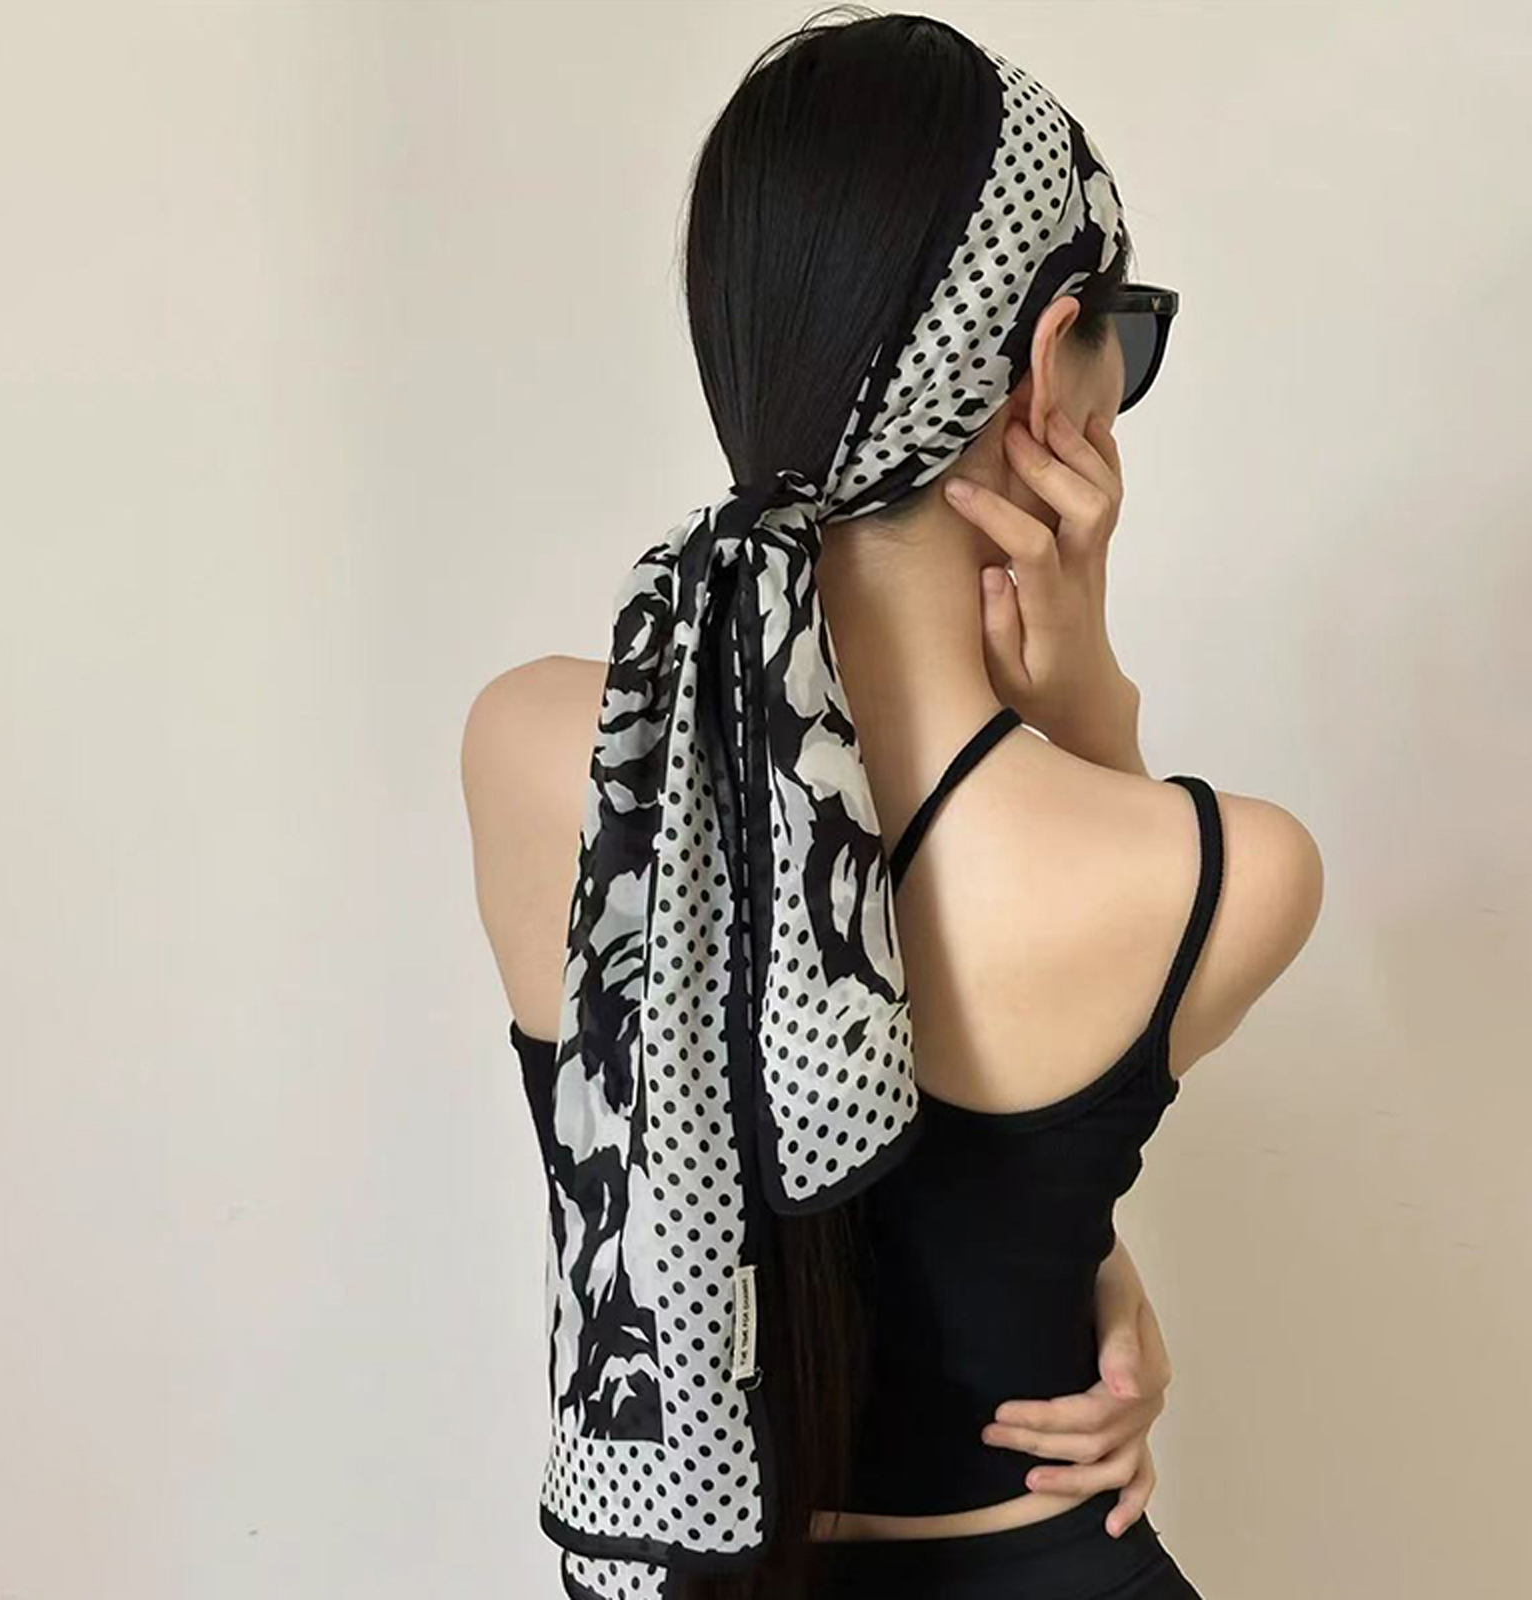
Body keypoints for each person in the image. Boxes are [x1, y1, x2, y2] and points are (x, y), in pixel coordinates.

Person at [461, 10, 1322, 1598]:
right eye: (1122, 332)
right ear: (1045, 364)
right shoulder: (1219, 871)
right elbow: (1045, 1153)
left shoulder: (536, 748)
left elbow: (757, 1131)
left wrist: (1094, 1260)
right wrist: (1091, 717)